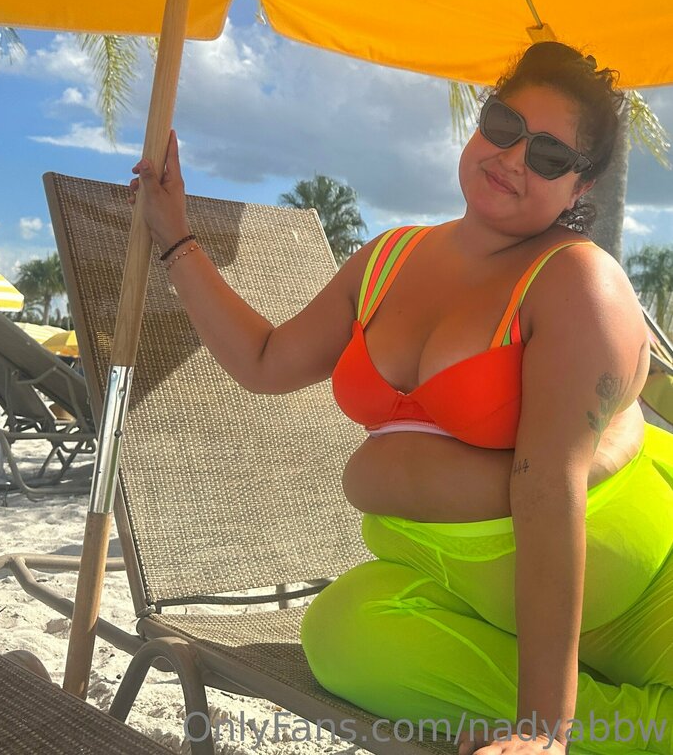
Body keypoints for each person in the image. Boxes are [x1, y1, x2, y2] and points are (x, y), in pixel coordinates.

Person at [128, 42, 673, 755]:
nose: (513, 158)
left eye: (548, 156)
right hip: (449, 580)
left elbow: (548, 488)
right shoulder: (388, 259)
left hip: (629, 586)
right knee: (341, 637)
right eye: (504, 126)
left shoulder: (575, 282)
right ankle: (636, 731)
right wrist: (175, 239)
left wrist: (542, 726)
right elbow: (265, 362)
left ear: (578, 190)